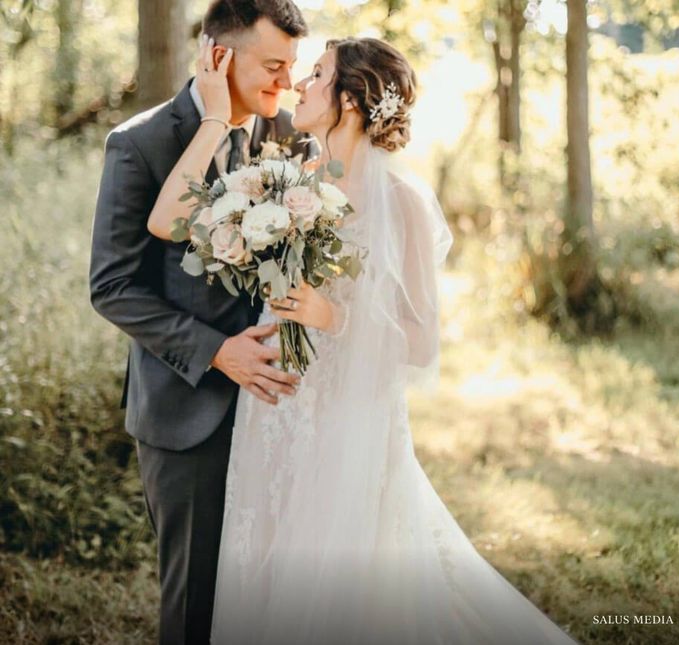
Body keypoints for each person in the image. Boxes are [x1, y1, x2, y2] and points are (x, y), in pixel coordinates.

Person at [146, 35, 581, 645]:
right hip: (271, 412)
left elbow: (423, 343)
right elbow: (166, 221)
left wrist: (335, 317)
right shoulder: (277, 181)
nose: (298, 83)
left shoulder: (400, 202)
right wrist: (216, 114)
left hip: (349, 425)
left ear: (350, 99)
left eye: (317, 74)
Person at [89, 1, 318, 642]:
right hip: (188, 412)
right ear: (219, 56)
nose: (286, 83)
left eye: (293, 67)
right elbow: (112, 288)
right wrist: (219, 352)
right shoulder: (141, 143)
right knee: (195, 606)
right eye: (273, 67)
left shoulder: (290, 138)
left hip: (279, 406)